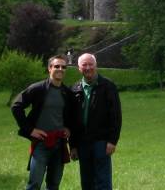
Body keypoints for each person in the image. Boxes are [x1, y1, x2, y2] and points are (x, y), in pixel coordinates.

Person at [11, 54, 76, 190]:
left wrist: (68, 129)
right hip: (41, 144)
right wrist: (30, 130)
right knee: (34, 183)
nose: (60, 69)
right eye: (56, 66)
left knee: (54, 184)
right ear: (49, 68)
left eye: (63, 67)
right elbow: (16, 106)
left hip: (59, 144)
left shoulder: (67, 93)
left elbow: (71, 116)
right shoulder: (38, 88)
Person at [71, 53, 122, 190]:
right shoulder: (75, 89)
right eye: (84, 65)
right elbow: (72, 121)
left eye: (90, 64)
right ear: (79, 68)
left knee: (103, 181)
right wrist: (73, 146)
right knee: (86, 181)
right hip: (82, 143)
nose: (88, 67)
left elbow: (116, 116)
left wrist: (112, 141)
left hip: (102, 141)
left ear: (96, 66)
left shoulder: (108, 86)